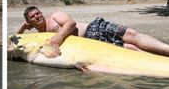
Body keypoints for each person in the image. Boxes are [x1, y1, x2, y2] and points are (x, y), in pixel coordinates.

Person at [18, 6, 169, 56]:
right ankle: (161, 60)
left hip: (95, 28)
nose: (37, 16)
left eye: (38, 13)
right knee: (129, 49)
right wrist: (23, 28)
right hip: (92, 43)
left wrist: (59, 35)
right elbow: (15, 40)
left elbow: (71, 23)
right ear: (29, 21)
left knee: (132, 35)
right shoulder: (39, 33)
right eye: (33, 16)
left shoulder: (54, 16)